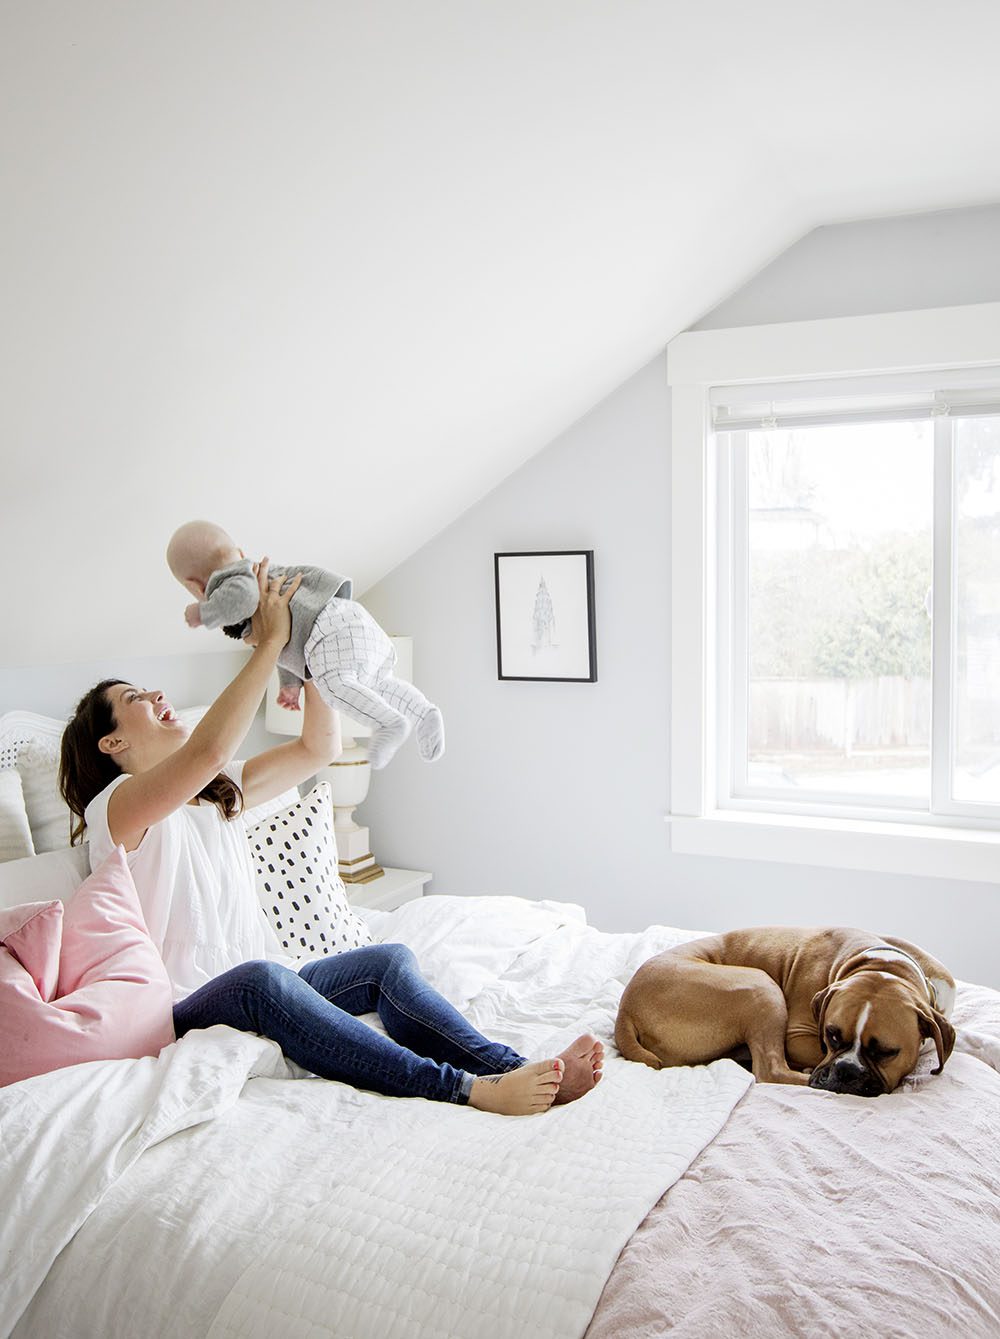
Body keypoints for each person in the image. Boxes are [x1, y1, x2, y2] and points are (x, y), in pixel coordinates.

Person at [58, 560, 603, 1115]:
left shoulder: (216, 794)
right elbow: (210, 750)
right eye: (133, 700)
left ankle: (507, 1067)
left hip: (268, 984)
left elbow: (318, 748)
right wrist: (266, 644)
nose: (153, 693)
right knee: (262, 979)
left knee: (386, 961)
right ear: (111, 744)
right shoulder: (115, 809)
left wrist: (308, 642)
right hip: (184, 1004)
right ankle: (461, 1089)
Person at [166, 519, 444, 770]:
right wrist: (290, 684)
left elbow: (243, 600)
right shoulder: (260, 583)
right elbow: (287, 636)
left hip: (327, 630)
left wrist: (203, 613)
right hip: (347, 620)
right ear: (238, 551)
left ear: (196, 587)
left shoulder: (234, 580)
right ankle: (424, 712)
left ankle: (387, 722)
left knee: (333, 686)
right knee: (380, 682)